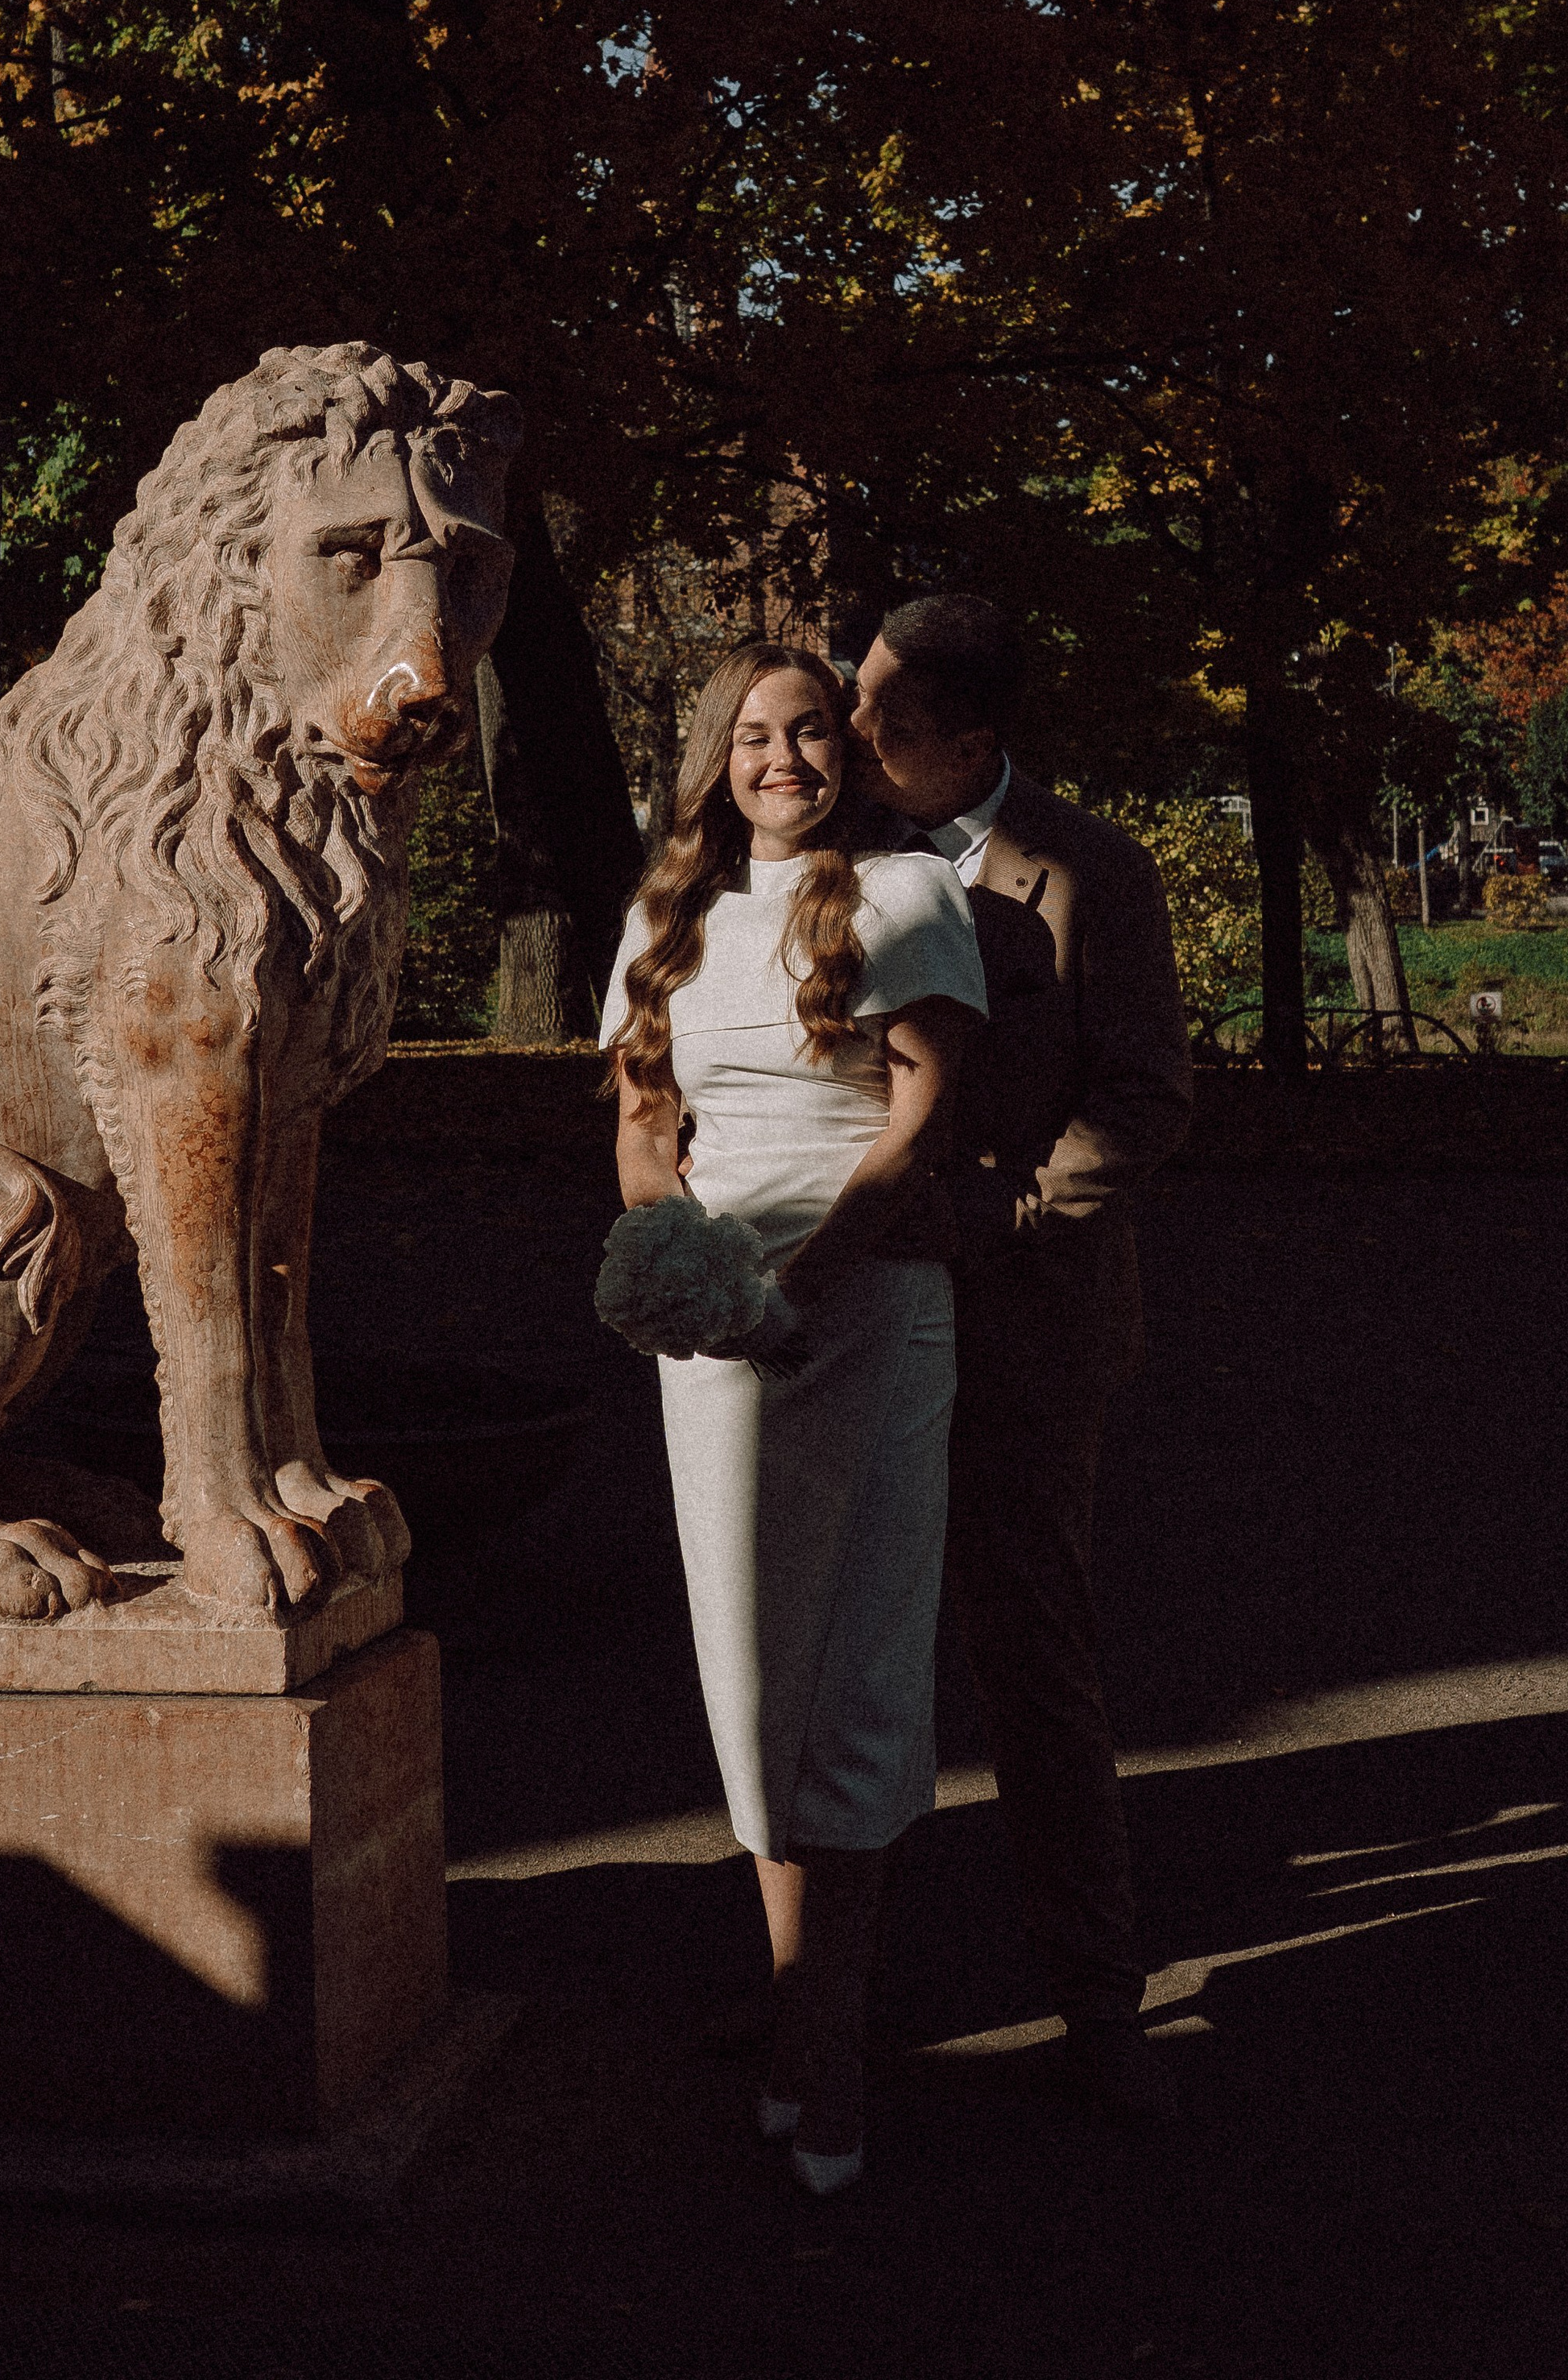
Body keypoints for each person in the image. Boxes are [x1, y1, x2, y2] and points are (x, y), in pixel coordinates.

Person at [601, 642, 987, 2193]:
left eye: (809, 730)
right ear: (717, 757)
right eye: (753, 735)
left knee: (862, 1665)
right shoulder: (666, 919)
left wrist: (814, 1272)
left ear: (850, 750)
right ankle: (795, 2015)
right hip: (717, 1342)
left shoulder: (906, 898)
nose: (781, 758)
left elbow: (923, 1115)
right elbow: (641, 1122)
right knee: (751, 1671)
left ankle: (832, 2048)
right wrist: (691, 1271)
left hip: (870, 1313)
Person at [849, 595, 1193, 2117]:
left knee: (1031, 1657)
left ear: (974, 741)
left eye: (884, 717)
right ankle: (822, 1996)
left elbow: (1146, 1099)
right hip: (847, 1313)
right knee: (839, 1648)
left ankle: (1096, 1997)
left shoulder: (1091, 870)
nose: (851, 734)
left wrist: (1000, 1216)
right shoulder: (828, 854)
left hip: (1026, 1320)